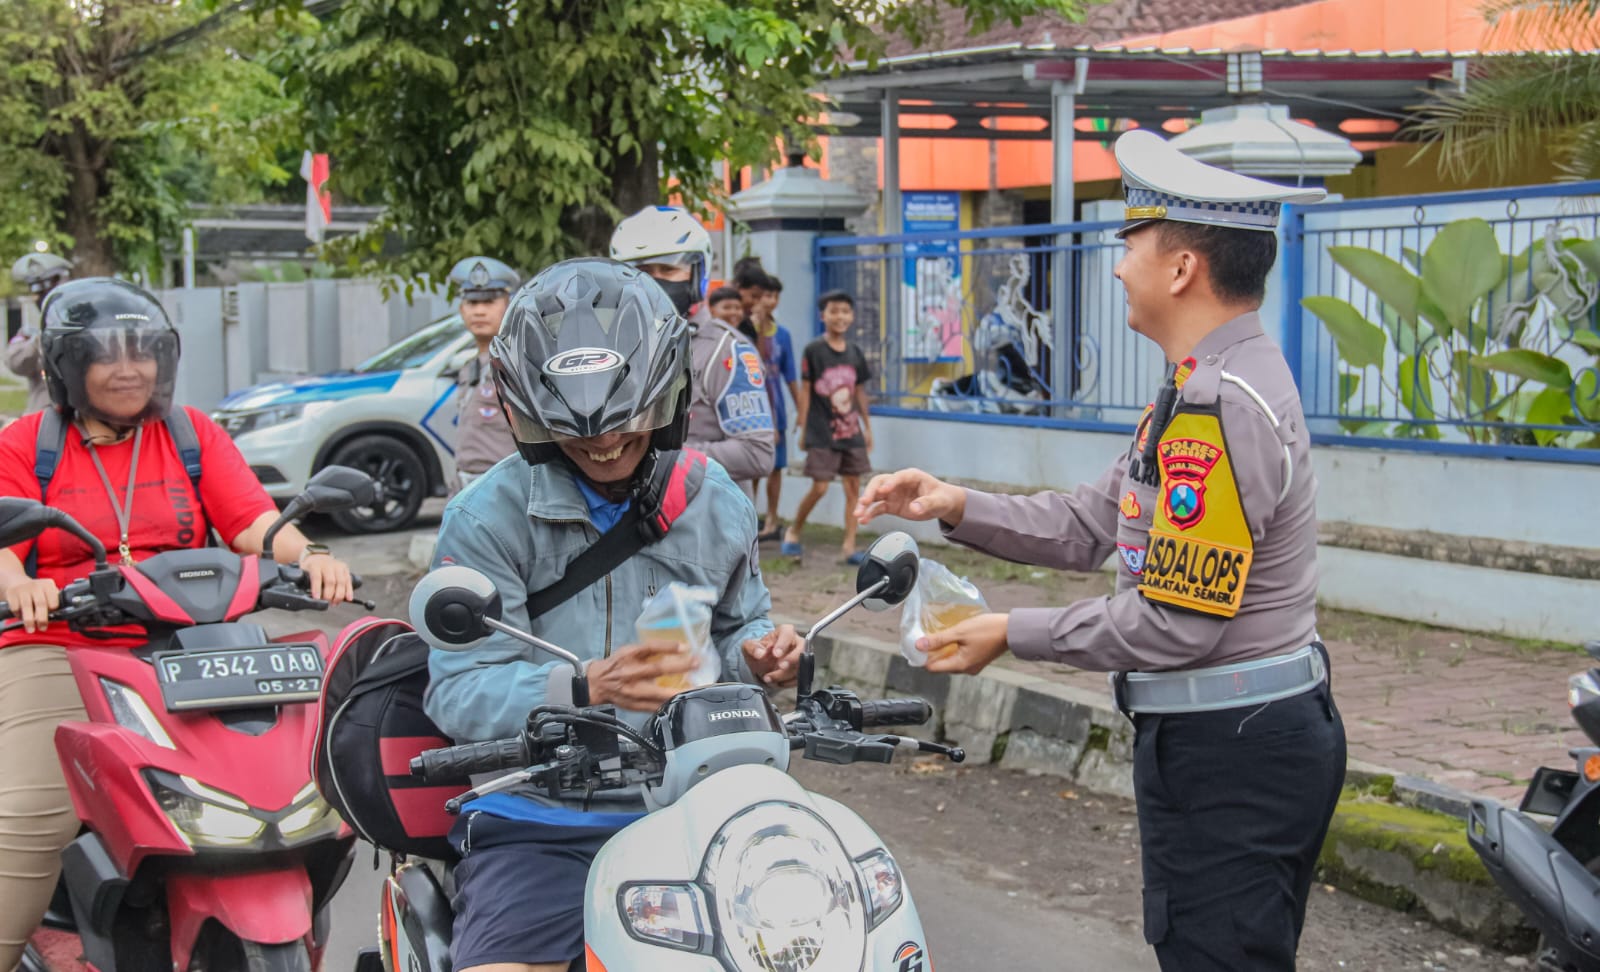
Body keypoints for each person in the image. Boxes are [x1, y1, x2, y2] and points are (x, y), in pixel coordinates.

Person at [855, 129, 1344, 972]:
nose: (1118, 265)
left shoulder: (1216, 404)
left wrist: (1010, 631)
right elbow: (1097, 522)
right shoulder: (1202, 383)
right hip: (1240, 736)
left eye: (1132, 242)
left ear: (1182, 266)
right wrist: (957, 504)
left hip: (1232, 749)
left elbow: (1177, 623)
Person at [421, 258, 804, 972]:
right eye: (574, 432)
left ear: (667, 400)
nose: (601, 445)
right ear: (530, 419)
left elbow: (741, 620)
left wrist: (764, 651)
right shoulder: (484, 518)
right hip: (542, 817)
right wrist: (584, 687)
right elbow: (457, 687)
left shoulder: (714, 499)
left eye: (625, 425)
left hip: (698, 802)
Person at [0, 278, 355, 969]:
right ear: (68, 367)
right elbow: (3, 547)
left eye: (144, 351)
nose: (130, 369)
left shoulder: (192, 433)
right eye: (107, 355)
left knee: (277, 780)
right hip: (62, 642)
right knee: (29, 817)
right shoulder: (25, 443)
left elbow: (255, 523)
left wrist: (310, 554)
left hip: (191, 644)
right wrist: (23, 586)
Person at [609, 206, 774, 494]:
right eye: (642, 271)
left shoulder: (726, 350)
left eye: (668, 270)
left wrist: (651, 453)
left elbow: (756, 453)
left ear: (696, 274)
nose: (654, 281)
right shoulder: (613, 348)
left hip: (706, 522)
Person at [781, 290, 873, 565]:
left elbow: (859, 393)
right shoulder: (814, 351)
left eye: (845, 311)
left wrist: (867, 427)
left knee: (853, 488)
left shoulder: (856, 353)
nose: (840, 316)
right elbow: (807, 391)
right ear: (823, 316)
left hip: (851, 432)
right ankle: (793, 530)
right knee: (820, 487)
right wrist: (802, 425)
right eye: (833, 311)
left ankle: (849, 546)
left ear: (852, 316)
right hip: (822, 431)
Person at [447, 255, 521, 493]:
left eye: (489, 302)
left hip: (506, 487)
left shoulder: (518, 365)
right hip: (466, 486)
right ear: (461, 309)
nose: (479, 311)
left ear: (509, 304)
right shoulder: (469, 367)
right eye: (472, 303)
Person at [743, 275, 799, 542]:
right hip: (752, 408)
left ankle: (773, 517)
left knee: (776, 467)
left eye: (775, 297)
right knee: (751, 467)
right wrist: (756, 325)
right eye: (766, 296)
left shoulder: (783, 335)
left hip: (776, 408)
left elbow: (790, 376)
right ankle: (749, 515)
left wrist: (801, 410)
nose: (771, 301)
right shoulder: (745, 331)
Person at [7, 252, 73, 418]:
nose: (42, 299)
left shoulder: (84, 325)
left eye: (49, 291)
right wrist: (42, 338)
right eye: (39, 293)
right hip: (43, 417)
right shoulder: (29, 333)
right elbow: (17, 364)